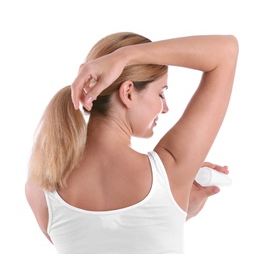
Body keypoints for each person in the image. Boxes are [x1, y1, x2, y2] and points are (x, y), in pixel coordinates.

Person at [25, 32, 238, 253]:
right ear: (128, 93)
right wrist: (126, 57)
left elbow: (102, 241)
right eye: (161, 93)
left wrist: (172, 212)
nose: (165, 108)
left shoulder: (41, 189)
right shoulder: (171, 169)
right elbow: (226, 51)